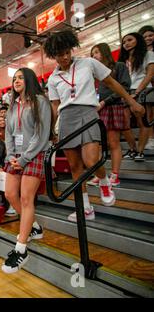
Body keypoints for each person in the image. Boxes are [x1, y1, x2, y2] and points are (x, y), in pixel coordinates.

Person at [44, 30, 144, 222]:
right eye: (59, 54)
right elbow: (55, 107)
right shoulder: (53, 78)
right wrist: (51, 130)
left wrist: (131, 101)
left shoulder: (88, 63)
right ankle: (86, 209)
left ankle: (105, 182)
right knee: (74, 166)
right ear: (53, 56)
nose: (65, 57)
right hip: (66, 118)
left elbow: (111, 83)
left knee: (91, 161)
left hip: (88, 113)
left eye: (67, 52)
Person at [1, 68, 52, 274]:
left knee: (25, 199)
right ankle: (35, 227)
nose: (16, 81)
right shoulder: (13, 106)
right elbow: (8, 133)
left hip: (34, 154)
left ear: (29, 80)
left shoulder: (41, 101)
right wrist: (11, 155)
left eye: (21, 77)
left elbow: (41, 135)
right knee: (10, 194)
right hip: (16, 157)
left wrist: (23, 159)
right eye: (14, 78)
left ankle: (21, 249)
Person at [88, 43, 132, 187]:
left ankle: (115, 175)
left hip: (113, 106)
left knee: (113, 142)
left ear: (105, 52)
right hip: (98, 109)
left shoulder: (119, 66)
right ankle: (101, 176)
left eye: (96, 52)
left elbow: (124, 87)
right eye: (92, 53)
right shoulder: (93, 73)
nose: (94, 56)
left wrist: (105, 101)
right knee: (99, 145)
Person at [118, 32, 154, 161]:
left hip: (143, 90)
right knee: (124, 123)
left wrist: (137, 92)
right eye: (124, 42)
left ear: (137, 40)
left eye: (129, 40)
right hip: (126, 92)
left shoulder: (148, 54)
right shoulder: (123, 60)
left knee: (142, 122)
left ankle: (140, 151)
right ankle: (133, 149)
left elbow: (149, 75)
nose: (126, 43)